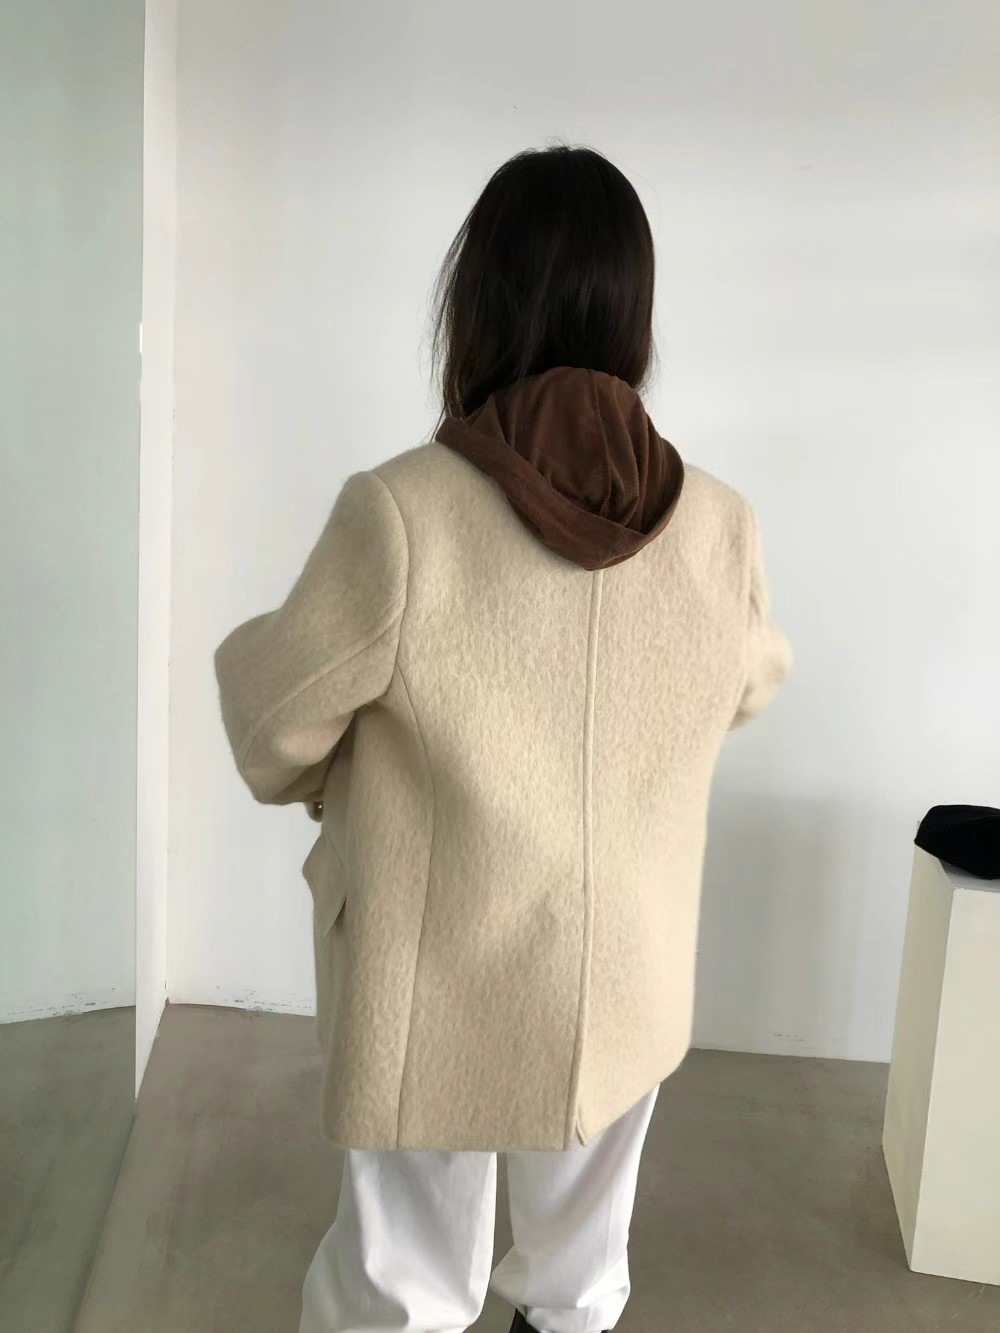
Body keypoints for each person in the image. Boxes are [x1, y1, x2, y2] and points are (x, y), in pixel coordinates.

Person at [215, 144, 791, 1333]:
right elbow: (748, 680)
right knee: (580, 1278)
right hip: (623, 968)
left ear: (476, 303)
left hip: (434, 963)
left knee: (402, 1285)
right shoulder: (719, 525)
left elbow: (272, 721)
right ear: (632, 312)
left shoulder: (402, 512)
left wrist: (337, 775)